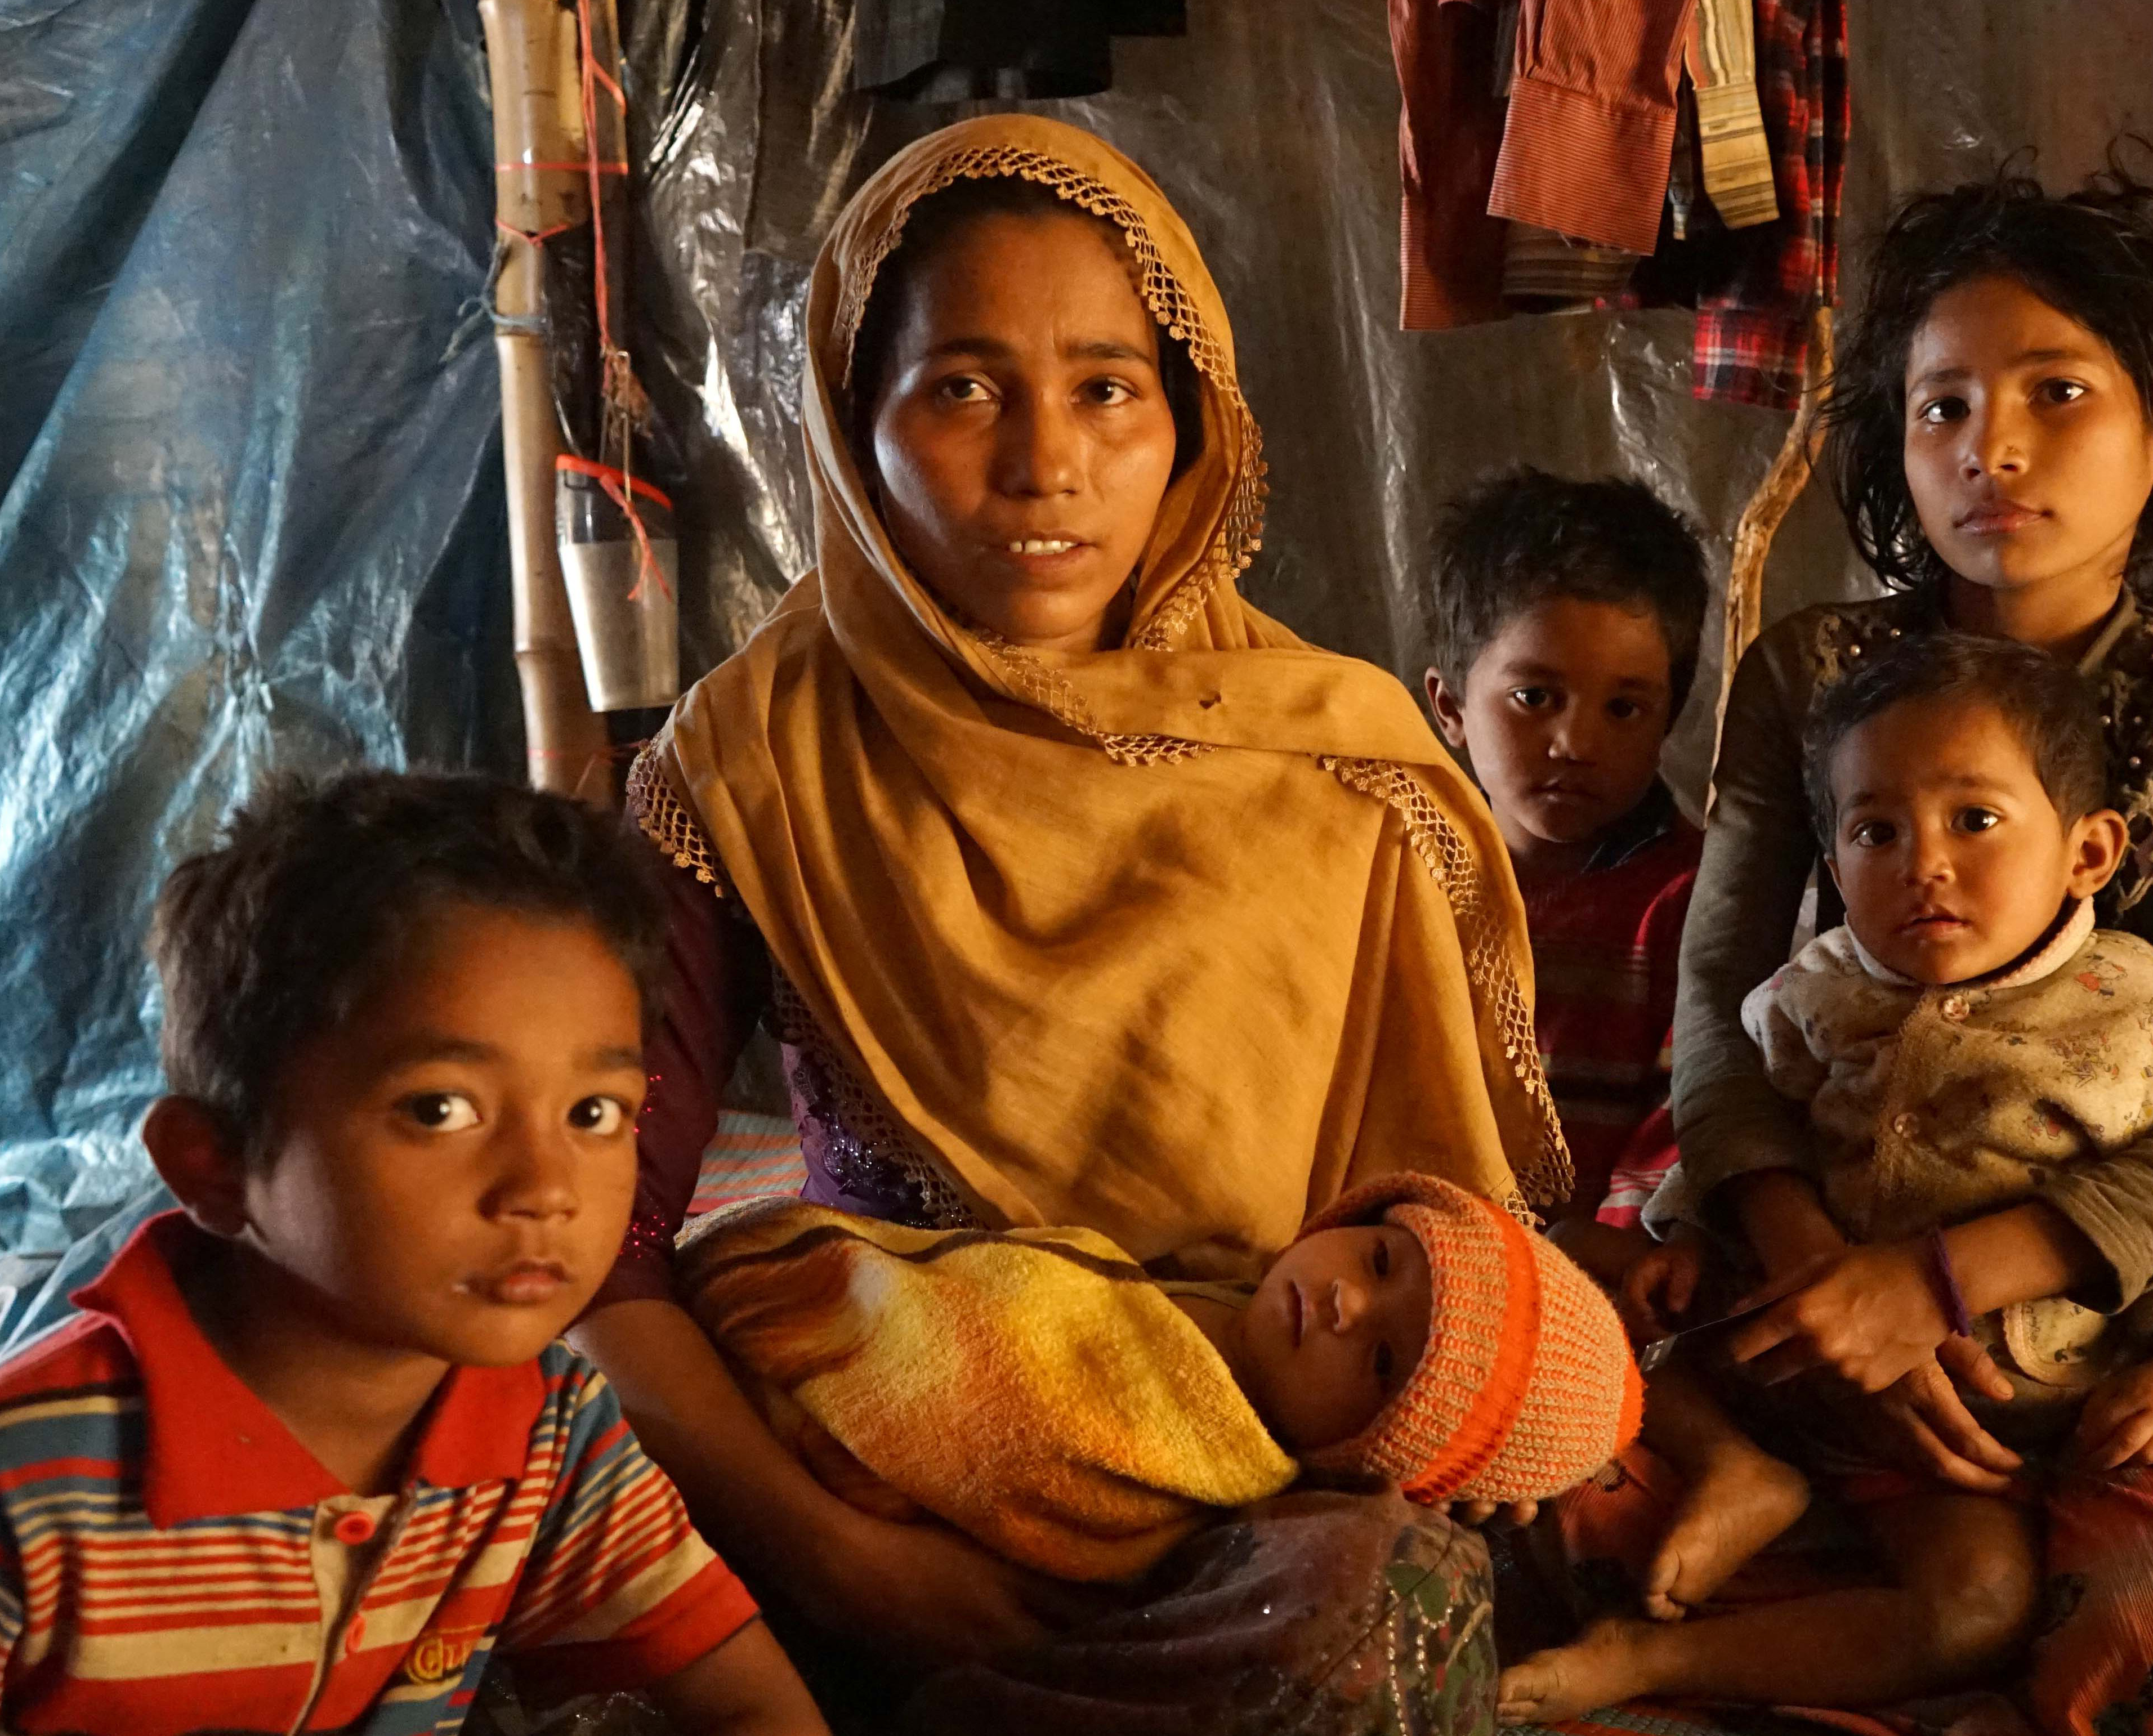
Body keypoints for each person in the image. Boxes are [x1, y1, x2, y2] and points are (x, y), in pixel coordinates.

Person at [569, 114, 1562, 1728]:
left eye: (1109, 387)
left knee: (1384, 1612)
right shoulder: (750, 762)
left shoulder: (1337, 751)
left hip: (1255, 1457)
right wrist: (832, 1552)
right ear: (849, 422)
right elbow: (596, 1256)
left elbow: (1444, 1245)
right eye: (962, 388)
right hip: (884, 1450)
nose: (1045, 465)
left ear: (1190, 422)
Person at [0, 772, 824, 1736]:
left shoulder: (548, 1433)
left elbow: (744, 1702)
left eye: (595, 1112)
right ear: (215, 1166)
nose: (545, 1188)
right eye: (439, 1109)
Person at [1655, 155, 2153, 1495]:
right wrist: (1829, 1288)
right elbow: (1715, 1012)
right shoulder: (1810, 677)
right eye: (1942, 406)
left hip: (2105, 1306)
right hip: (1822, 1240)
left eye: (2058, 393)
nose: (1990, 449)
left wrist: (1942, 1286)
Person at [1500, 634, 2153, 1720]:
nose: (1926, 861)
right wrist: (1682, 1240)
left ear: (2091, 854)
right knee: (1565, 1261)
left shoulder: (2144, 1022)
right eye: (1878, 830)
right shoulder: (1810, 993)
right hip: (1779, 1340)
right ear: (1832, 865)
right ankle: (1737, 1468)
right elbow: (1738, 1139)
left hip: (1966, 1426)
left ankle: (1648, 1661)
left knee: (1973, 1610)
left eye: (1976, 820)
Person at [674, 1173, 1638, 1584]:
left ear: (1368, 1456)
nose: (1347, 1304)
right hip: (793, 1293)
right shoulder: (1226, 1288)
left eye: (1385, 1363)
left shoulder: (1195, 1459)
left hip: (798, 1405)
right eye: (1384, 1262)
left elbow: (1013, 1410)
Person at [1417, 468, 1709, 1267]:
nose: (1576, 744)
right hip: (1413, 1253)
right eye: (1535, 697)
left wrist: (1606, 1250)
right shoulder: (1401, 878)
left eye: (1624, 708)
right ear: (1450, 709)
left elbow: (1687, 1114)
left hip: (1601, 1284)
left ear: (1668, 720)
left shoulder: (1685, 899)